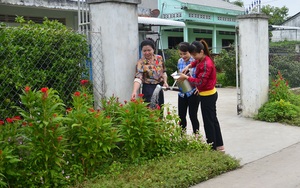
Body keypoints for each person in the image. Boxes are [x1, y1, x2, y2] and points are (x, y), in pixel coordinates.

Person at [178, 39, 224, 152]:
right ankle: (219, 145)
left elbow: (199, 82)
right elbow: (195, 62)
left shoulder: (206, 64)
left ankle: (212, 148)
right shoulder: (201, 59)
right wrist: (188, 67)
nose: (194, 57)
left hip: (208, 96)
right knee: (213, 120)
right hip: (207, 94)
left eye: (194, 55)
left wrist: (187, 77)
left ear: (201, 52)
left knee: (209, 122)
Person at [131, 39, 169, 108]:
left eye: (149, 50)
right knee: (149, 110)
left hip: (159, 87)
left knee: (159, 109)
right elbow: (138, 78)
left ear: (153, 49)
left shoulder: (159, 58)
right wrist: (134, 91)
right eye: (144, 51)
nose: (147, 53)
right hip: (148, 88)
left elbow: (163, 72)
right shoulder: (140, 63)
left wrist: (165, 82)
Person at [176, 42, 200, 135]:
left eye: (185, 53)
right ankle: (182, 135)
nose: (183, 56)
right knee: (181, 116)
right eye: (181, 54)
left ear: (190, 52)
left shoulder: (195, 62)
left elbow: (199, 77)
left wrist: (199, 88)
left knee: (193, 115)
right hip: (182, 92)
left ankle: (196, 136)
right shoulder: (179, 61)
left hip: (193, 92)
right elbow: (180, 73)